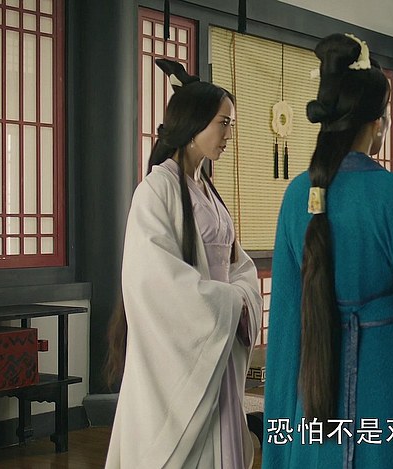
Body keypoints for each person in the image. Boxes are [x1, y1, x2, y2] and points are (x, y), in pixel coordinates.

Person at [263, 33, 393, 469]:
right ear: (379, 123)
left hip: (314, 396)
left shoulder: (297, 196)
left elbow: (286, 329)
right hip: (382, 387)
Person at [105, 59, 263, 469]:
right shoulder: (155, 191)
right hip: (187, 351)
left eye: (231, 124)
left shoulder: (207, 189)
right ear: (194, 124)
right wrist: (230, 302)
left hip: (216, 348)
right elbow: (155, 281)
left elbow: (239, 265)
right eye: (223, 123)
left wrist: (241, 297)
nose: (229, 135)